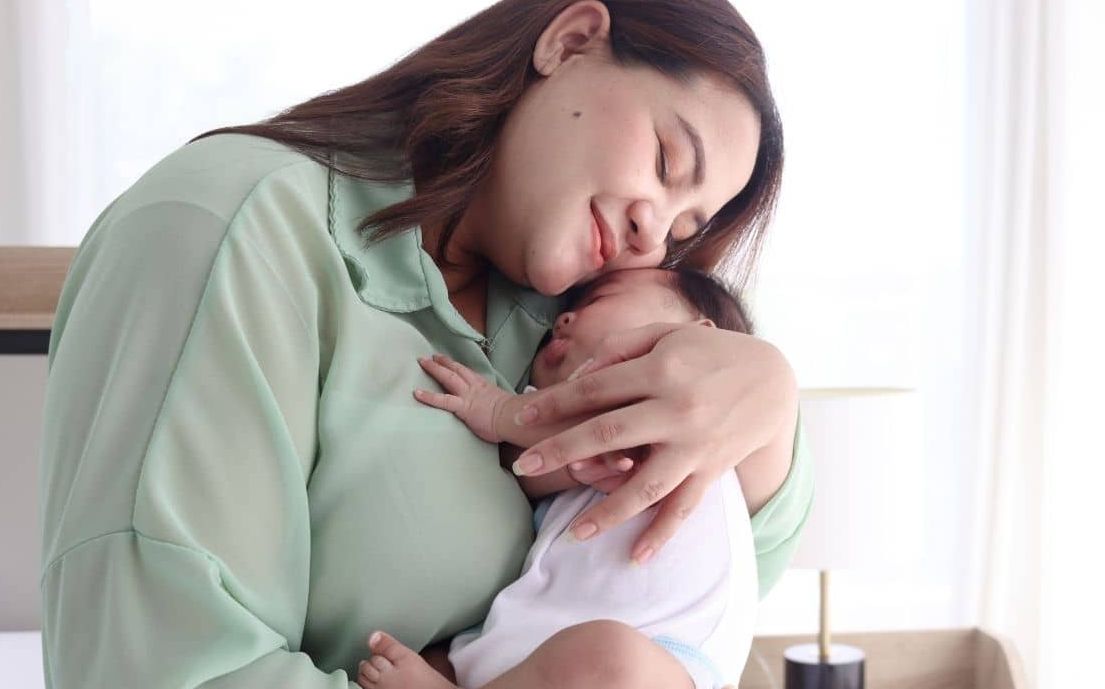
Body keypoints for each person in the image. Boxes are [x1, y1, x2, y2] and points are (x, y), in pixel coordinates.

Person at [38, 2, 813, 688]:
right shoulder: (229, 229)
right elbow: (162, 663)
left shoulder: (563, 321)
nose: (654, 233)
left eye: (683, 229)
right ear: (571, 41)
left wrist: (768, 406)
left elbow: (691, 582)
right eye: (666, 161)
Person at [355, 266, 763, 689]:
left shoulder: (684, 414)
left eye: (597, 301)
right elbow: (531, 465)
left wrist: (498, 411)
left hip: (665, 655)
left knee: (611, 658)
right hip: (547, 653)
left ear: (695, 340)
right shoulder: (570, 461)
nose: (562, 319)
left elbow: (599, 432)